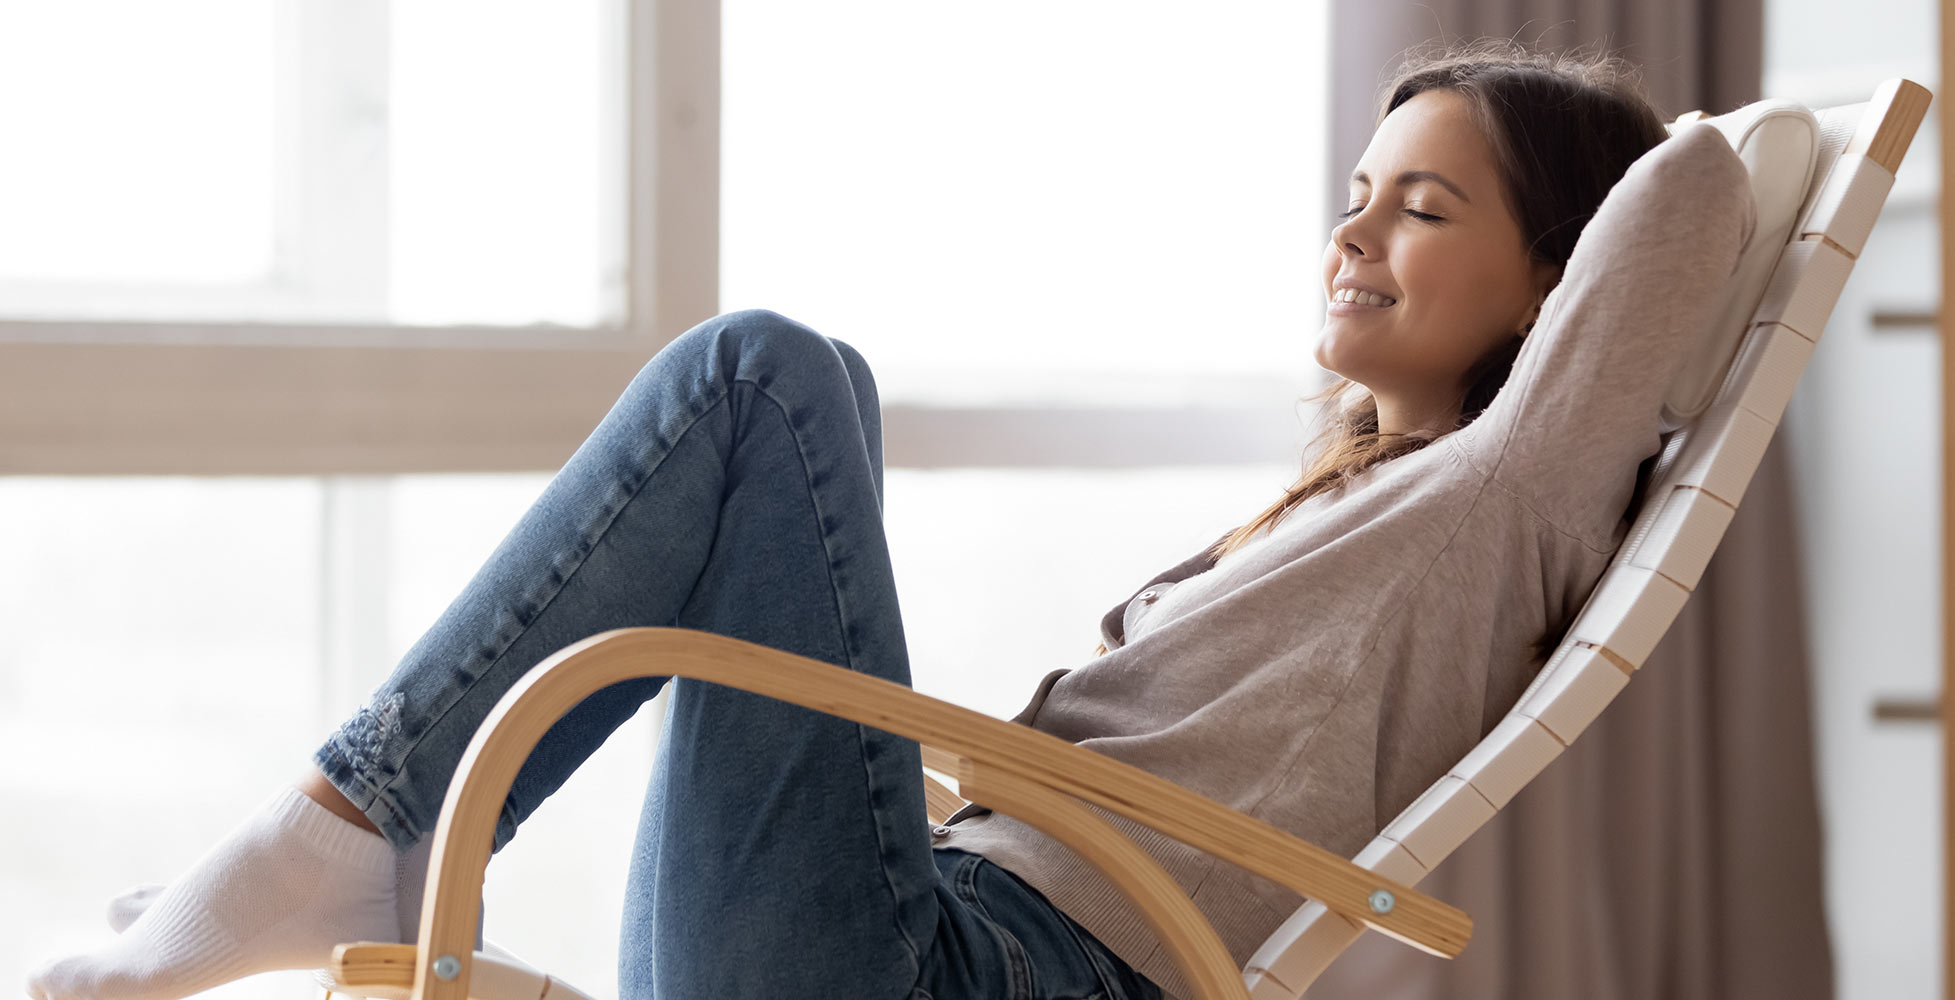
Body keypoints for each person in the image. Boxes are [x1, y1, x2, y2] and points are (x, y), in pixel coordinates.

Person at [25, 35, 1755, 1000]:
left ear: (1559, 280)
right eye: (1356, 194)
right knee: (809, 377)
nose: (1355, 231)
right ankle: (344, 852)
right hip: (907, 926)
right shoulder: (1355, 506)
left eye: (1427, 207)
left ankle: (329, 846)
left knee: (767, 383)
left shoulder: (1508, 494)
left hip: (955, 979)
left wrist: (1719, 129)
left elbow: (1697, 189)